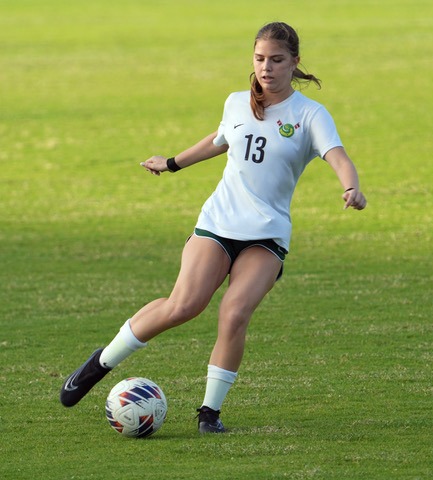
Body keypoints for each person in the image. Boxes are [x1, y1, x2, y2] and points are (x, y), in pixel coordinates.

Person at [60, 21, 367, 434]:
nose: (267, 68)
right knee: (183, 306)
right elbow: (218, 140)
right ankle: (100, 363)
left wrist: (352, 187)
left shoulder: (310, 114)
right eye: (260, 59)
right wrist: (171, 163)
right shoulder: (237, 103)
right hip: (218, 223)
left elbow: (338, 155)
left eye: (277, 60)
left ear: (295, 63)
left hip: (267, 236)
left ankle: (209, 413)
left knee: (234, 312)